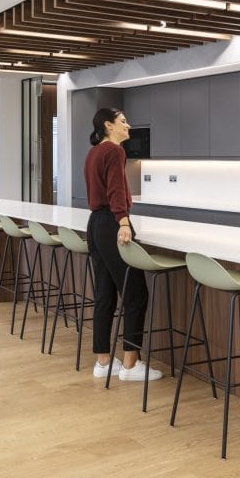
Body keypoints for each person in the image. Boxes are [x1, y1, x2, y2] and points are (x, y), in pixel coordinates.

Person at [84, 107, 162, 382]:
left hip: (95, 224)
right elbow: (116, 188)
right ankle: (130, 365)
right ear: (109, 125)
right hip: (111, 225)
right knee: (135, 294)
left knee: (105, 294)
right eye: (123, 122)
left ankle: (103, 362)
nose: (128, 126)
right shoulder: (114, 151)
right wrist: (124, 222)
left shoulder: (94, 152)